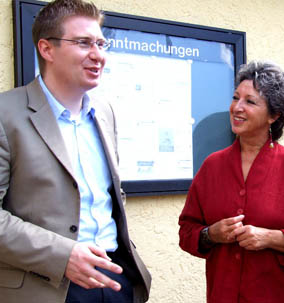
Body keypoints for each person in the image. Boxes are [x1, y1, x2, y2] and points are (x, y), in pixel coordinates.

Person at [0, 0, 151, 302]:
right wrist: (62, 255)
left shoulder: (104, 113)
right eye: (83, 43)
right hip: (45, 285)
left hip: (115, 277)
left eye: (101, 43)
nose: (98, 55)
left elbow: (110, 195)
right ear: (46, 49)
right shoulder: (6, 114)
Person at [179, 60, 284, 303]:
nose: (237, 107)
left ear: (274, 115)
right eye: (235, 97)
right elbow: (187, 231)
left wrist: (273, 238)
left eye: (250, 101)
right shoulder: (212, 167)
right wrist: (211, 234)